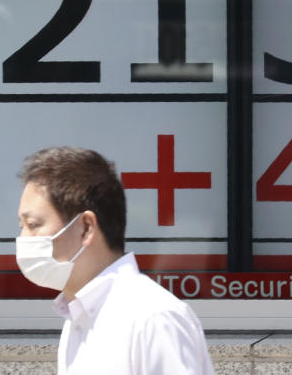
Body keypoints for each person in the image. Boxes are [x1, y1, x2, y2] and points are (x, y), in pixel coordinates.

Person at [15, 146, 215, 374]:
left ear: (86, 228)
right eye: (22, 227)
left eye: (33, 225)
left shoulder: (153, 318)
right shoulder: (77, 320)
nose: (23, 239)